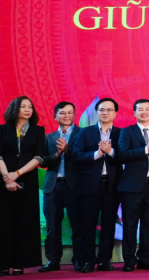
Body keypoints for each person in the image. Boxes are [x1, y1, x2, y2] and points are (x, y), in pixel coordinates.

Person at [69, 97, 121, 273]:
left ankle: (105, 260)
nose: (105, 113)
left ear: (115, 113)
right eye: (102, 110)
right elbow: (76, 155)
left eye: (109, 110)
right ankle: (88, 261)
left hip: (112, 186)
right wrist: (97, 154)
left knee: (109, 224)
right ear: (97, 112)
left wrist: (110, 151)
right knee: (87, 225)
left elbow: (125, 156)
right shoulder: (85, 132)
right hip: (89, 186)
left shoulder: (120, 133)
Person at [117, 99, 149, 271]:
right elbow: (122, 155)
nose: (144, 112)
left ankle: (145, 259)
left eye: (147, 109)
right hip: (131, 187)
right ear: (134, 113)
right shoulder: (127, 132)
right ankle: (129, 260)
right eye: (140, 109)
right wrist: (146, 149)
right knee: (130, 225)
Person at [0, 97, 47, 276]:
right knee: (4, 222)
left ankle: (20, 263)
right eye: (23, 107)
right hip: (3, 179)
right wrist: (7, 178)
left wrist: (17, 174)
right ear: (14, 109)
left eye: (30, 107)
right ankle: (3, 263)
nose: (28, 110)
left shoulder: (38, 130)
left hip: (28, 180)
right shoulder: (2, 130)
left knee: (24, 222)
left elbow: (39, 157)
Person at [39, 101, 82, 272]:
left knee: (78, 226)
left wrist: (67, 150)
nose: (67, 116)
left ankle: (79, 260)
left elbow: (84, 158)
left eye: (70, 112)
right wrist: (56, 154)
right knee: (52, 227)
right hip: (52, 186)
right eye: (62, 113)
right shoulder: (48, 137)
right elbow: (42, 162)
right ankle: (53, 260)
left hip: (75, 187)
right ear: (55, 116)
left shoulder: (83, 134)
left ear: (74, 115)